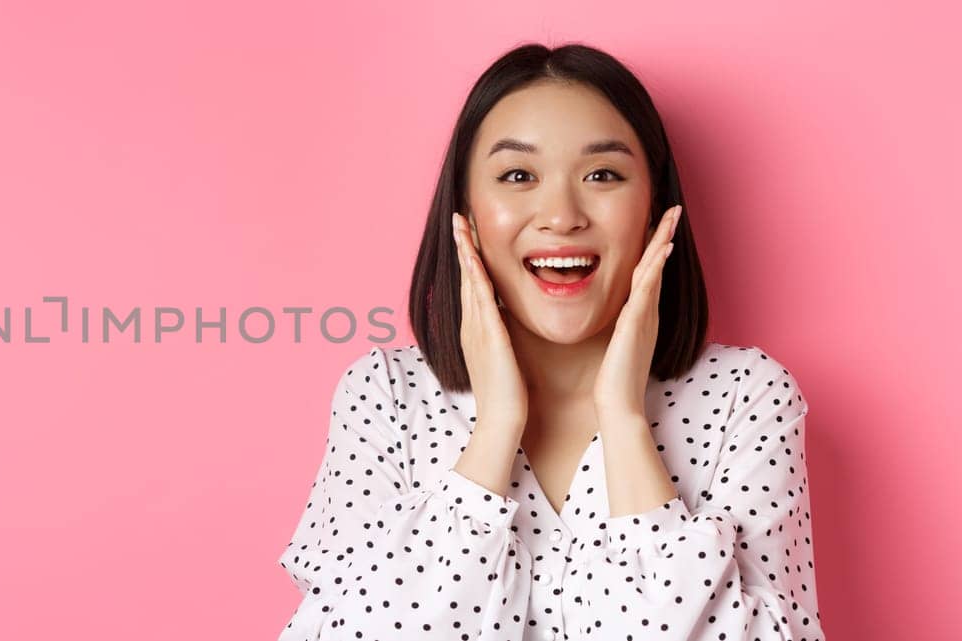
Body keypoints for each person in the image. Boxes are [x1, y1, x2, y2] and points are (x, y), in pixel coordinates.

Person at [275, 43, 825, 641]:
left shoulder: (746, 398)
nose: (561, 215)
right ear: (467, 213)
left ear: (654, 211)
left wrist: (624, 420)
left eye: (602, 175)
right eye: (518, 176)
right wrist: (495, 432)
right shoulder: (385, 396)